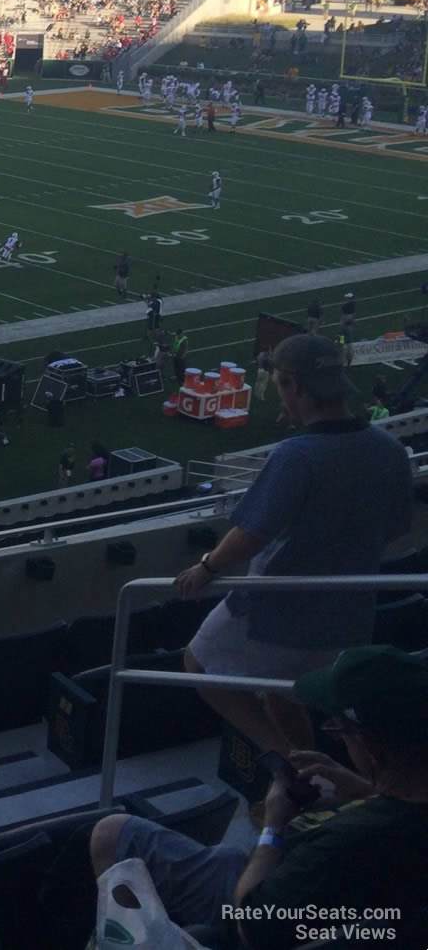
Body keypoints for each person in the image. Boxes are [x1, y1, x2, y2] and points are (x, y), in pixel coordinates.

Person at [89, 645, 428, 949]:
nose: (340, 742)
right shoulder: (398, 812)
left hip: (263, 890)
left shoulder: (344, 845)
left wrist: (273, 826)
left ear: (371, 749)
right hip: (311, 887)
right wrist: (365, 788)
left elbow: (253, 928)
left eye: (340, 732)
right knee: (219, 854)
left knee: (112, 833)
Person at [173, 334, 414, 755]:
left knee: (199, 664)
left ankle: (294, 766)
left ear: (295, 386)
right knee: (292, 694)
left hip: (276, 610)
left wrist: (206, 567)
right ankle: (340, 784)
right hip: (350, 612)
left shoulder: (298, 455)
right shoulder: (390, 450)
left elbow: (251, 534)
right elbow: (397, 529)